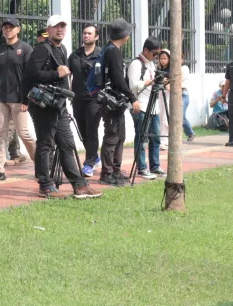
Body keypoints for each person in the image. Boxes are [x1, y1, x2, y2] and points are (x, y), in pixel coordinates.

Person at [23, 16, 102, 199]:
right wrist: (55, 74)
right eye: (56, 27)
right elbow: (30, 75)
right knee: (46, 144)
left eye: (62, 27)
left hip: (58, 105)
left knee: (67, 144)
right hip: (44, 105)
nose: (60, 30)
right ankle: (45, 185)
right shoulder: (41, 49)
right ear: (48, 30)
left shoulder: (62, 49)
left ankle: (79, 185)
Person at [0, 16, 37, 182]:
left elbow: (30, 76)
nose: (8, 30)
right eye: (5, 28)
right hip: (2, 99)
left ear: (18, 30)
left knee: (24, 133)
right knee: (0, 135)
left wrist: (26, 99)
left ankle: (41, 162)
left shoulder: (26, 49)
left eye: (11, 27)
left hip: (19, 100)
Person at [98, 21, 135, 186]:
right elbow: (118, 79)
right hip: (111, 101)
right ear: (124, 35)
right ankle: (107, 173)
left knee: (120, 136)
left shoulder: (111, 49)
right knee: (112, 137)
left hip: (116, 101)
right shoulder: (112, 51)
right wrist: (132, 98)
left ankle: (115, 170)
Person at [68, 24, 104, 176]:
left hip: (94, 99)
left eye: (89, 33)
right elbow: (68, 74)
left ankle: (89, 163)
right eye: (84, 33)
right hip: (77, 99)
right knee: (82, 131)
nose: (86, 35)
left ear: (96, 37)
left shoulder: (102, 55)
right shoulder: (74, 55)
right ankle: (94, 157)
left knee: (91, 130)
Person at [127, 37, 163, 179]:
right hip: (140, 105)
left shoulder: (151, 64)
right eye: (154, 54)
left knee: (156, 137)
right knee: (142, 138)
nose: (156, 57)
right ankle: (142, 168)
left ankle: (155, 166)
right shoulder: (136, 64)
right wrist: (148, 82)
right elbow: (132, 85)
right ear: (146, 50)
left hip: (153, 106)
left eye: (158, 54)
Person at [156, 49, 194, 143]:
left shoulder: (183, 68)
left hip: (182, 94)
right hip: (171, 94)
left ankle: (187, 134)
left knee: (179, 116)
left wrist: (168, 83)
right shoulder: (167, 69)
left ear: (182, 60)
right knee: (172, 116)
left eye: (179, 59)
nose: (177, 61)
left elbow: (178, 80)